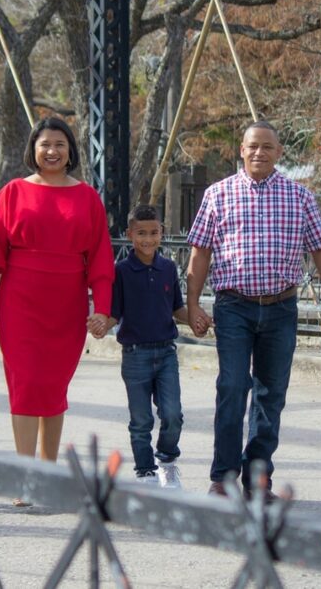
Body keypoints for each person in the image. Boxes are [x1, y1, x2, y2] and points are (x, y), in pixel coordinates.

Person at [185, 120, 321, 500]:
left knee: (271, 395)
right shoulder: (217, 195)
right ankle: (223, 478)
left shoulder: (300, 197)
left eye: (267, 147)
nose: (259, 153)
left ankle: (257, 481)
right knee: (232, 386)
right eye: (252, 146)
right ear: (240, 150)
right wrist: (192, 304)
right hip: (234, 306)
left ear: (279, 153)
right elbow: (200, 253)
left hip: (280, 308)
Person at [0, 117, 114, 505]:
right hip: (21, 303)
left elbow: (99, 260)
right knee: (25, 385)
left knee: (53, 387)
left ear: (71, 152)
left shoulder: (88, 198)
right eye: (45, 143)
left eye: (60, 144)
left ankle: (48, 476)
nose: (52, 151)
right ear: (33, 149)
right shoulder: (11, 193)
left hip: (67, 303)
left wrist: (103, 309)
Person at [103, 204, 188, 488]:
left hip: (166, 352)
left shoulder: (168, 268)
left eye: (153, 233)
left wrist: (199, 319)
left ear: (162, 233)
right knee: (140, 420)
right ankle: (145, 470)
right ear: (129, 235)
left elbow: (178, 309)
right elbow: (114, 313)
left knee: (173, 413)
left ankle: (166, 460)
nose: (148, 239)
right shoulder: (122, 271)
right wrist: (102, 324)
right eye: (141, 233)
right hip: (135, 355)